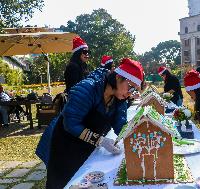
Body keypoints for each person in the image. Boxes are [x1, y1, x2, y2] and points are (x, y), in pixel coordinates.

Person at [46, 58, 144, 188]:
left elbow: (120, 124)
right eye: (131, 87)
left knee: (85, 181)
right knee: (63, 182)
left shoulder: (119, 98)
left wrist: (137, 137)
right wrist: (99, 140)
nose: (130, 94)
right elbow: (70, 123)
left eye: (134, 90)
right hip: (67, 145)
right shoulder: (88, 88)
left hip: (88, 145)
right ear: (119, 77)